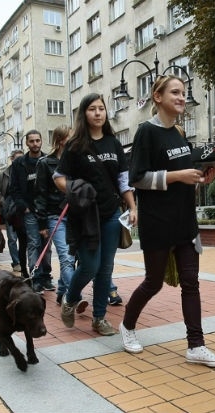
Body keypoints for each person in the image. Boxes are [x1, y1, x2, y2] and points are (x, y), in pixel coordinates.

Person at [118, 75, 215, 367]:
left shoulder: (180, 133)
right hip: (158, 222)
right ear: (158, 97)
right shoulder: (146, 132)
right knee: (153, 282)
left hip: (185, 222)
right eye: (175, 92)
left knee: (191, 283)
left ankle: (196, 345)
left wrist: (201, 179)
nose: (181, 97)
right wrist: (178, 176)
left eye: (183, 92)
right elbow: (138, 179)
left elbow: (184, 180)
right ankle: (127, 325)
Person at [53, 93, 136, 336]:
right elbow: (58, 176)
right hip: (85, 216)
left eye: (101, 108)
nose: (98, 113)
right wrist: (74, 190)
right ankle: (70, 298)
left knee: (105, 269)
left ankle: (99, 318)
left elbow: (123, 178)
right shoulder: (75, 145)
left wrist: (132, 207)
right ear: (84, 114)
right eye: (92, 109)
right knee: (89, 266)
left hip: (111, 214)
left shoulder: (113, 143)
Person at [34, 125, 76, 305]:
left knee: (72, 257)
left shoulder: (77, 161)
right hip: (54, 216)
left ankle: (61, 291)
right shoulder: (45, 163)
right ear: (60, 140)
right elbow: (40, 194)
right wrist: (42, 223)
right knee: (66, 257)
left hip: (75, 215)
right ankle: (75, 297)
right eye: (71, 137)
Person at [11, 130, 54, 293]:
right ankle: (35, 278)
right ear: (27, 143)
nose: (35, 144)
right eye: (31, 141)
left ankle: (46, 277)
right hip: (29, 211)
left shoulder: (48, 160)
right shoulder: (19, 163)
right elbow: (14, 188)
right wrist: (24, 207)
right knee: (34, 243)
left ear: (41, 141)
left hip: (47, 210)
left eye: (37, 140)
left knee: (47, 245)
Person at [0, 149, 27, 275]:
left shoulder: (25, 171)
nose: (19, 160)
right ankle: (16, 262)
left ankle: (25, 262)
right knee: (12, 238)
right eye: (17, 158)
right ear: (12, 159)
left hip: (24, 209)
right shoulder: (3, 175)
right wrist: (4, 203)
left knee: (26, 238)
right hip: (10, 211)